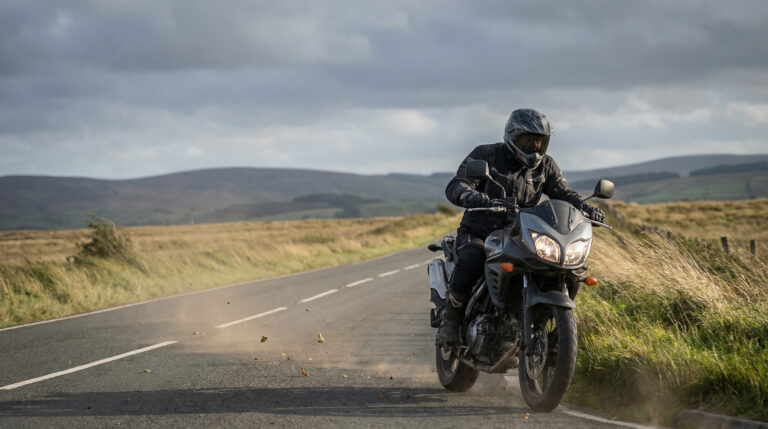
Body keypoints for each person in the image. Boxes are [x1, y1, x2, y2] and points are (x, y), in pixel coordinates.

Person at [436, 108, 605, 346]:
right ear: (513, 138)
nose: (535, 146)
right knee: (472, 259)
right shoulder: (487, 155)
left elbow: (563, 192)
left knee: (568, 268)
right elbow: (457, 185)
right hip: (482, 231)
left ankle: (555, 332)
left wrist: (584, 207)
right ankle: (451, 321)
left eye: (540, 141)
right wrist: (472, 196)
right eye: (528, 140)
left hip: (521, 234)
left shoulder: (545, 166)